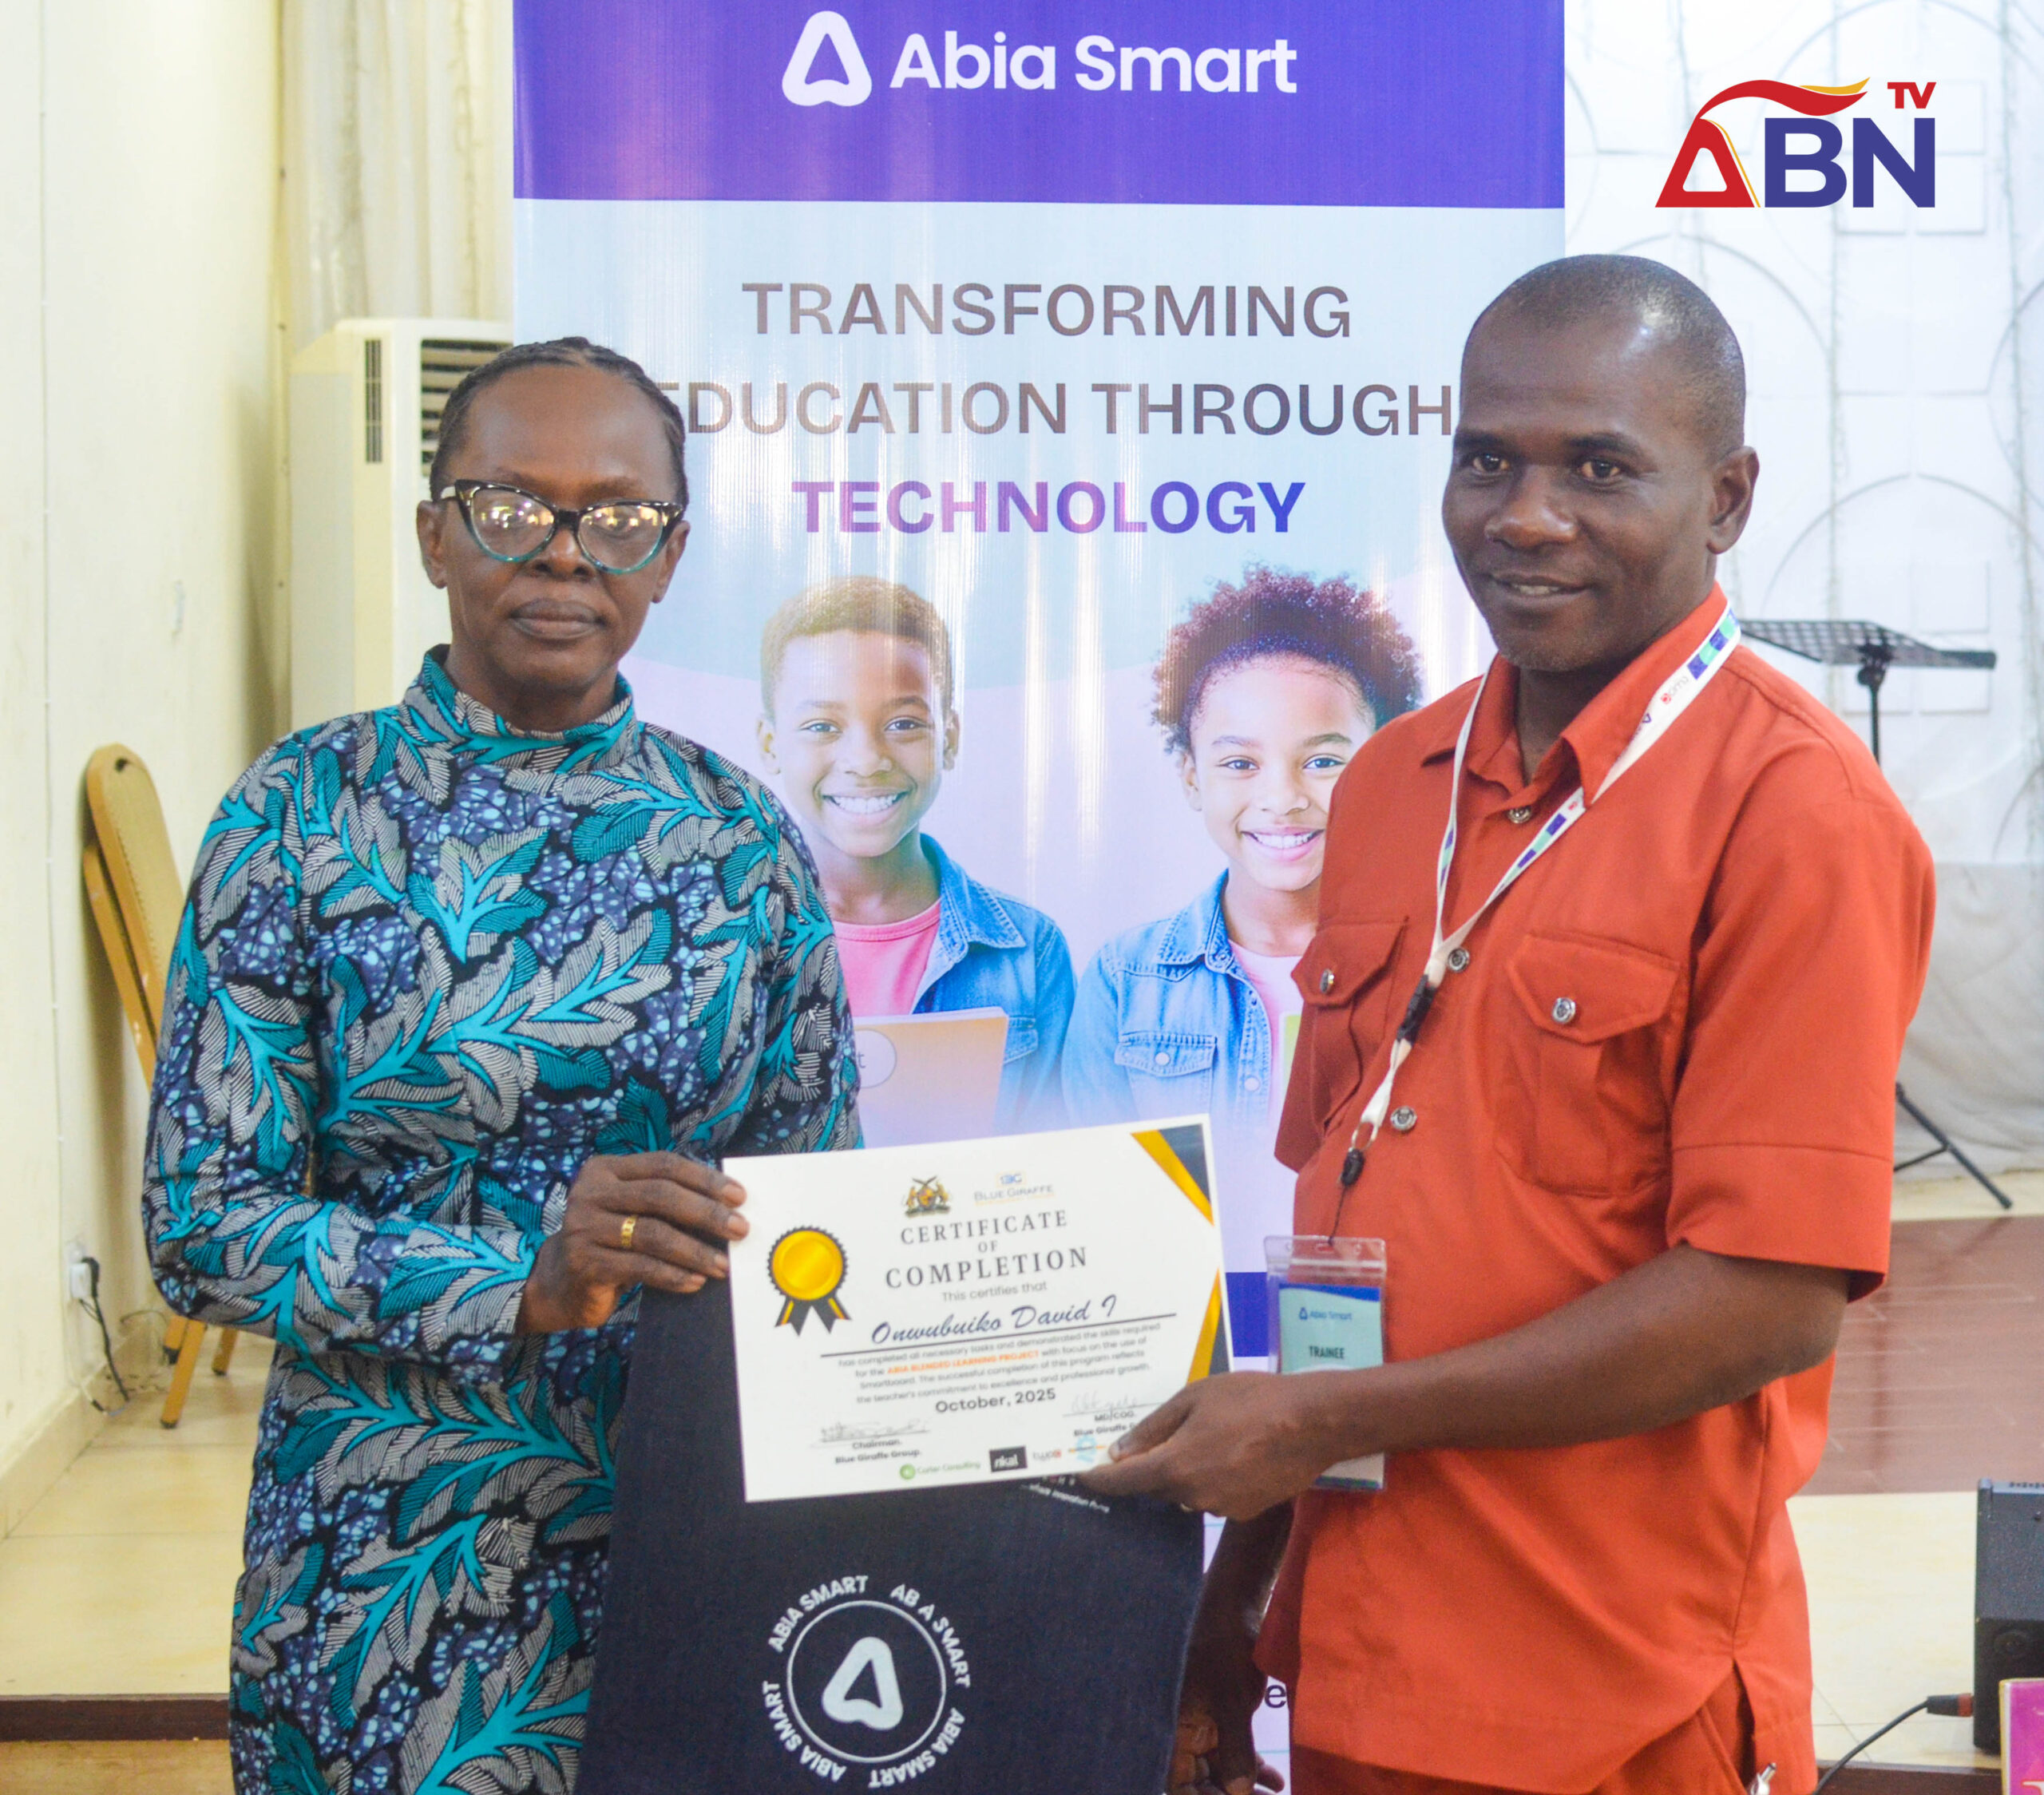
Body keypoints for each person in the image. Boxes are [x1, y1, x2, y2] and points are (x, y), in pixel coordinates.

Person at [1084, 256, 1935, 1795]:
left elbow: (1768, 1300)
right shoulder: (1391, 782)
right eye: (1489, 460)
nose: (1527, 516)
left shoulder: (1796, 812)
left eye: (1599, 467)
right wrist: (1242, 1590)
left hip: (1613, 1687)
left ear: (1727, 497)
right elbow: (1337, 1236)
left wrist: (1318, 1418)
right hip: (1355, 1664)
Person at [141, 338, 858, 1793]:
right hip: (381, 1562)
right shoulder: (298, 817)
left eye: (619, 517)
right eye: (512, 506)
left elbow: (818, 1207)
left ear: (670, 556)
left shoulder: (743, 841)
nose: (567, 553)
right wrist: (519, 1283)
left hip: (679, 1541)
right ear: (435, 535)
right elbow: (201, 1223)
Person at [1062, 568, 1420, 1349]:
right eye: (1239, 764)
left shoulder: (1434, 972)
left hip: (1382, 1369)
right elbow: (1091, 1223)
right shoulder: (1124, 982)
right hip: (1183, 1361)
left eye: (1323, 761)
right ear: (1192, 777)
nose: (1282, 798)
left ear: (1385, 765)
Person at [755, 575, 1073, 1129]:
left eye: (903, 723)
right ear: (770, 744)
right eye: (823, 726)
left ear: (949, 738)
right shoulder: (717, 941)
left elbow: (1053, 1157)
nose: (865, 759)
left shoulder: (1029, 954)